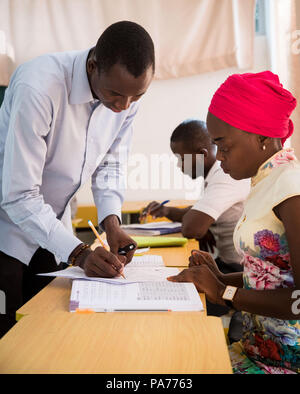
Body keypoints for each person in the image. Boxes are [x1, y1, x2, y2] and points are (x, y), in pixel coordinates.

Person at [0, 21, 155, 337]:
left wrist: (111, 224)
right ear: (92, 65)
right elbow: (18, 196)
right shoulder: (39, 86)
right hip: (6, 225)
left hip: (52, 224)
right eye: (115, 94)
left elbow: (109, 165)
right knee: (9, 333)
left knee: (54, 327)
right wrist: (78, 253)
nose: (123, 107)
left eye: (135, 97)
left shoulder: (124, 97)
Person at [168, 71, 300, 374]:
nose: (220, 157)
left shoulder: (291, 189)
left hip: (284, 362)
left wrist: (223, 293)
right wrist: (217, 278)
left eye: (224, 147)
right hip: (258, 348)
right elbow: (272, 276)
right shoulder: (265, 181)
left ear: (262, 137)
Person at [141, 119, 250, 275]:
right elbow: (196, 212)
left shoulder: (225, 176)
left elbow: (192, 228)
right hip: (226, 263)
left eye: (182, 159)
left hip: (239, 270)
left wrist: (202, 226)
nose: (179, 165)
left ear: (202, 154)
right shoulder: (213, 176)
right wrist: (166, 211)